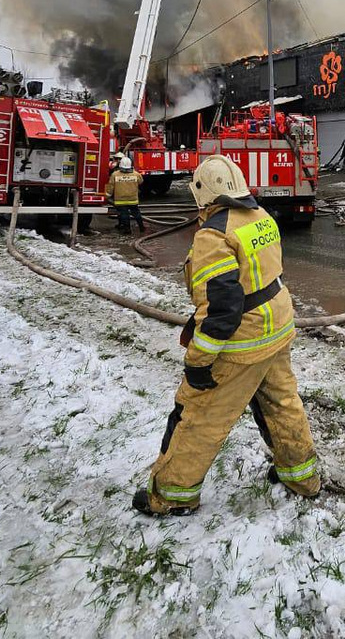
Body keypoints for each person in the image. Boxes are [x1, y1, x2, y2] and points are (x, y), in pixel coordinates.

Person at [133, 155, 319, 516]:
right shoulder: (261, 217)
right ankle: (302, 478)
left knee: (200, 415)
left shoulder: (213, 235)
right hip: (277, 329)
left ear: (204, 192)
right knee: (282, 404)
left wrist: (198, 362)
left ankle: (172, 496)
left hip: (242, 342)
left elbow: (221, 310)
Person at [107, 156, 145, 235]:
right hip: (133, 199)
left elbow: (110, 186)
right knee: (137, 213)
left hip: (120, 200)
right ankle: (141, 227)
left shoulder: (115, 175)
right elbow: (141, 182)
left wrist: (107, 196)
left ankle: (127, 229)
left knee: (124, 215)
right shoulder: (136, 174)